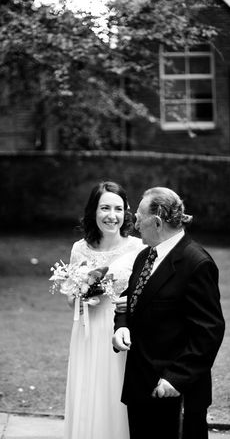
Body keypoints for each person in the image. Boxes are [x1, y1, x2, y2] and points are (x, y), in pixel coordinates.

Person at [112, 186, 225, 439]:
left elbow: (209, 331)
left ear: (158, 221)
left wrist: (176, 379)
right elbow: (129, 300)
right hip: (139, 387)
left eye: (140, 215)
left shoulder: (196, 263)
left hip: (174, 393)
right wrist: (121, 326)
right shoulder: (144, 256)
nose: (135, 220)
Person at [63, 181, 145, 439]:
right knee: (88, 388)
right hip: (87, 329)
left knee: (115, 390)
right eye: (105, 208)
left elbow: (146, 292)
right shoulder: (80, 248)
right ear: (93, 211)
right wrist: (82, 293)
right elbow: (70, 297)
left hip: (120, 330)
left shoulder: (138, 248)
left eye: (118, 209)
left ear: (126, 213)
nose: (112, 216)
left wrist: (129, 301)